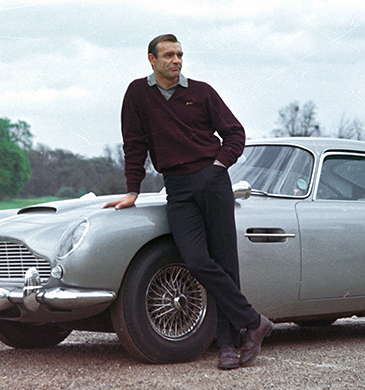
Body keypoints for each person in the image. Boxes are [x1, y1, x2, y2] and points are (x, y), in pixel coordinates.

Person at [103, 34, 273, 370]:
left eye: (179, 54)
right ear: (151, 60)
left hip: (212, 182)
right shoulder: (138, 93)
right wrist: (132, 190)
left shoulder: (202, 91)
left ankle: (227, 345)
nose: (176, 60)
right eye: (168, 55)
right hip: (177, 187)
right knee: (196, 260)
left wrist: (218, 166)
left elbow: (235, 133)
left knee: (225, 262)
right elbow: (134, 143)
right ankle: (254, 322)